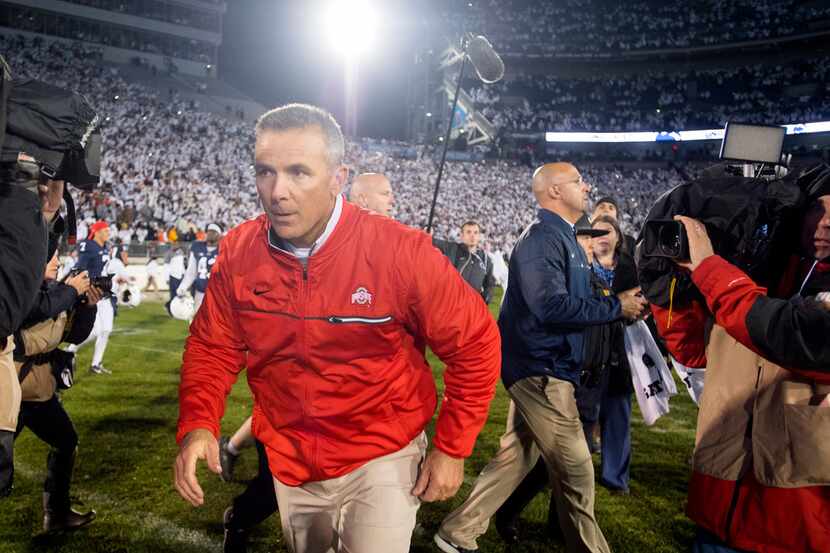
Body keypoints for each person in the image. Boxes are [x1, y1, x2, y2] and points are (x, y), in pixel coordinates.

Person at [173, 103, 501, 553]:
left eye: (298, 172)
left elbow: (476, 345)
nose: (277, 191)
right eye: (265, 172)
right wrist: (198, 423)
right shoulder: (240, 251)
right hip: (289, 460)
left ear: (337, 177)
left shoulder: (399, 252)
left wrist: (452, 446)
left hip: (382, 453)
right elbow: (213, 345)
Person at [435, 162, 646, 553]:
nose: (586, 187)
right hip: (542, 368)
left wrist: (617, 303)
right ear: (553, 191)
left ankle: (458, 531)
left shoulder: (564, 237)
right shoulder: (542, 238)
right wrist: (615, 306)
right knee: (577, 472)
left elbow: (575, 301)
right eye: (577, 181)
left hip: (549, 365)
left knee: (518, 455)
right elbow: (550, 306)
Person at [651, 183, 830, 553]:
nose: (826, 224)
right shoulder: (757, 271)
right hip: (719, 501)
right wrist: (668, 282)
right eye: (818, 209)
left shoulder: (735, 284)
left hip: (796, 521)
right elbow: (691, 351)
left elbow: (783, 331)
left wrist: (709, 269)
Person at [14, 252, 102, 532]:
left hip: (39, 393)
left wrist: (88, 305)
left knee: (66, 441)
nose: (56, 263)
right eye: (49, 258)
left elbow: (73, 335)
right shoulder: (15, 290)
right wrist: (69, 291)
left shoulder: (54, 293)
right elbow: (37, 310)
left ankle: (57, 513)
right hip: (9, 393)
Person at [65, 221, 114, 375]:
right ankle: (70, 349)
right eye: (105, 230)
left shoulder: (104, 247)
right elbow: (79, 268)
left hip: (104, 294)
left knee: (106, 330)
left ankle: (96, 363)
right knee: (94, 331)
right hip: (92, 294)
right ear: (97, 231)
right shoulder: (88, 245)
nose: (108, 233)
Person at [433, 221, 496, 304]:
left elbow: (490, 284)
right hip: (447, 305)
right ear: (462, 236)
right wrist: (428, 232)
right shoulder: (451, 248)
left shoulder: (486, 260)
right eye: (468, 232)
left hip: (469, 310)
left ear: (479, 236)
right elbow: (432, 242)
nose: (472, 235)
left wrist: (486, 298)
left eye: (475, 233)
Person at [177, 223, 223, 313]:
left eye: (213, 232)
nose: (210, 234)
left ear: (219, 235)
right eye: (209, 231)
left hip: (217, 294)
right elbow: (191, 272)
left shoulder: (225, 249)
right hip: (200, 292)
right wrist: (183, 287)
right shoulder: (197, 247)